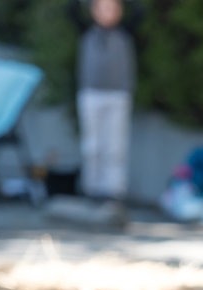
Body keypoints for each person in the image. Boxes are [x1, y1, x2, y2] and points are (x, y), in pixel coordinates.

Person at [76, 0, 136, 206]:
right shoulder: (85, 30)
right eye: (102, 8)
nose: (107, 13)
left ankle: (114, 190)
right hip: (91, 93)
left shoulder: (126, 32)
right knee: (93, 144)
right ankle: (91, 188)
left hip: (118, 94)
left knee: (116, 145)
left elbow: (139, 10)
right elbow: (71, 9)